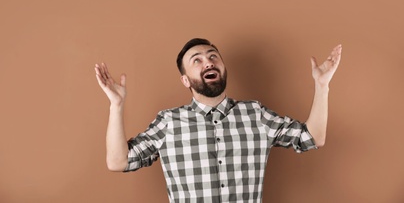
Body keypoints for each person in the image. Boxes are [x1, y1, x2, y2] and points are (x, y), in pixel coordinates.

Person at [95, 38, 342, 203]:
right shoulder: (169, 122)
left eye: (213, 57)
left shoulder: (255, 115)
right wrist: (116, 106)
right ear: (185, 80)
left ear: (223, 68)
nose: (208, 62)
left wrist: (322, 87)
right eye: (197, 60)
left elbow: (312, 138)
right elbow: (118, 162)